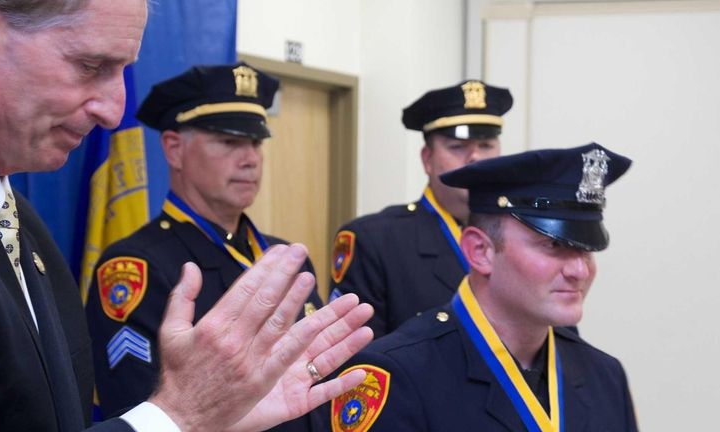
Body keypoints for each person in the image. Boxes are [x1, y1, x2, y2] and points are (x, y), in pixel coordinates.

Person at [0, 1, 373, 431]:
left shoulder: (18, 223)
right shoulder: (136, 265)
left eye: (255, 144)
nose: (115, 112)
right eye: (90, 65)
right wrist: (184, 415)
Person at [328, 143, 639, 431]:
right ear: (481, 252)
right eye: (555, 245)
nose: (580, 270)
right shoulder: (399, 375)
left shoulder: (605, 376)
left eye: (586, 249)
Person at [85, 63, 324, 429]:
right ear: (174, 149)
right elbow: (137, 412)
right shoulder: (138, 266)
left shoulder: (286, 258)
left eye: (256, 143)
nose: (250, 159)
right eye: (229, 142)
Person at [329, 80, 513, 337]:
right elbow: (357, 361)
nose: (475, 158)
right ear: (427, 159)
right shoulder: (376, 241)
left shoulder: (524, 235)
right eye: (458, 147)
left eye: (486, 145)